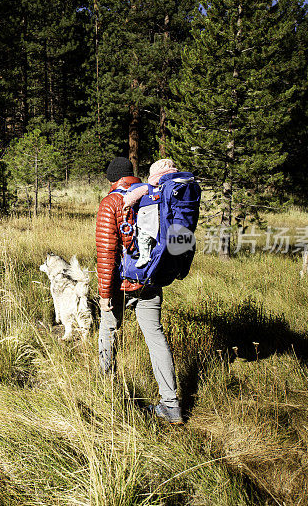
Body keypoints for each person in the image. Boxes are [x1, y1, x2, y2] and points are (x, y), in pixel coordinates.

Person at [95, 156, 183, 424]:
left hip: (121, 284)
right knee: (156, 339)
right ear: (132, 175)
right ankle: (171, 404)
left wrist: (104, 295)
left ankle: (104, 387)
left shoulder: (111, 202)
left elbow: (107, 253)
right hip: (150, 280)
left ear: (111, 179)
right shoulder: (153, 194)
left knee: (108, 330)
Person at [123, 158, 179, 268]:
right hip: (167, 223)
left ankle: (144, 256)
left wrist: (127, 203)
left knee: (144, 239)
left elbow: (134, 195)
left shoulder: (148, 188)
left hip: (149, 222)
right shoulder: (174, 187)